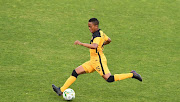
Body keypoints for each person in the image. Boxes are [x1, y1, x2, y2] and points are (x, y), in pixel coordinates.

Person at [52, 18, 142, 96]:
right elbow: (109, 40)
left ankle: (132, 74)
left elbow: (94, 46)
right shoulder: (101, 32)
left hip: (99, 61)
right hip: (93, 61)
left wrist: (81, 43)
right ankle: (61, 90)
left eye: (90, 26)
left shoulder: (97, 35)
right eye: (88, 26)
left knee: (109, 79)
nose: (89, 28)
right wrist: (102, 44)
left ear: (96, 26)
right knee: (75, 72)